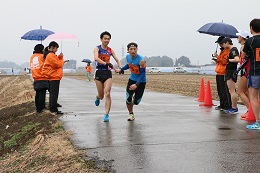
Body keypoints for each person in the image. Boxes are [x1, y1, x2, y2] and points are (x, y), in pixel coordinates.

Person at [94, 31, 122, 122]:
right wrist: (106, 63)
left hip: (107, 73)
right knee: (101, 95)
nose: (107, 40)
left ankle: (106, 114)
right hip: (99, 72)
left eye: (108, 39)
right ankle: (97, 97)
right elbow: (96, 58)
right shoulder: (97, 48)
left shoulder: (110, 50)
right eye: (105, 38)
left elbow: (117, 60)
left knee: (108, 93)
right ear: (101, 39)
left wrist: (120, 68)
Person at [116, 42, 146, 121]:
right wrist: (121, 69)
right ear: (128, 50)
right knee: (128, 99)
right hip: (132, 79)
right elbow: (128, 65)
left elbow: (143, 74)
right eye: (131, 49)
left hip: (141, 82)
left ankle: (134, 98)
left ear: (137, 49)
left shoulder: (141, 60)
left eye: (134, 49)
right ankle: (131, 114)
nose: (133, 51)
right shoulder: (127, 57)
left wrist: (136, 85)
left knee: (136, 102)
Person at [243, 19, 260, 129]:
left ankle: (258, 122)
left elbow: (244, 55)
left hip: (255, 71)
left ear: (251, 28)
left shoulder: (250, 41)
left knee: (253, 97)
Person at [43, 41, 64, 115]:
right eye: (56, 48)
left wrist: (59, 57)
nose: (57, 50)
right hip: (54, 76)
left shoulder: (50, 55)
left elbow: (55, 62)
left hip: (52, 76)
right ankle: (53, 109)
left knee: (53, 93)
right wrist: (61, 59)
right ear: (52, 47)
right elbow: (58, 64)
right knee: (54, 94)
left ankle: (52, 107)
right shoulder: (51, 55)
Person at [220, 37, 240, 114]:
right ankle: (234, 107)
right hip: (230, 70)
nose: (223, 46)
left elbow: (237, 59)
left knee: (232, 90)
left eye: (224, 44)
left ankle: (234, 107)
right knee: (231, 90)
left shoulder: (233, 50)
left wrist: (228, 60)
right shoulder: (232, 50)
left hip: (231, 71)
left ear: (227, 42)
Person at [212, 36, 231, 111]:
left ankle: (227, 105)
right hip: (219, 72)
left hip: (224, 72)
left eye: (220, 43)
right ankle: (222, 104)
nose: (220, 45)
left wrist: (218, 58)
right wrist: (216, 58)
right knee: (220, 90)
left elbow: (225, 61)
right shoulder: (222, 51)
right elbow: (220, 61)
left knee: (224, 90)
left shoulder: (227, 51)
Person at [30, 44, 49, 113]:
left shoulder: (32, 57)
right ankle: (41, 108)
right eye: (43, 49)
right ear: (41, 49)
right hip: (42, 76)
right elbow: (46, 64)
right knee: (42, 94)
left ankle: (38, 108)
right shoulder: (42, 56)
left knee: (37, 94)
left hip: (35, 77)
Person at [236, 31, 250, 118]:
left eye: (239, 36)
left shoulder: (244, 46)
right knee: (246, 92)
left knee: (240, 92)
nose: (238, 38)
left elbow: (244, 60)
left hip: (245, 70)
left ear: (242, 37)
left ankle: (250, 110)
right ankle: (252, 109)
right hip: (247, 69)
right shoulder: (247, 45)